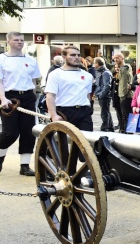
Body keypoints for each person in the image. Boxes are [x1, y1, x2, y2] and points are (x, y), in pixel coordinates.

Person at [0, 31, 42, 175]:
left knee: (28, 132)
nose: (20, 42)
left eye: (22, 40)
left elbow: (34, 80)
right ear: (8, 42)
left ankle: (24, 166)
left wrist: (35, 96)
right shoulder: (2, 59)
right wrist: (2, 98)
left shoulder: (31, 60)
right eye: (16, 40)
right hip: (9, 97)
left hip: (28, 97)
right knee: (10, 133)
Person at [45, 46, 95, 130]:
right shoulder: (55, 74)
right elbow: (50, 96)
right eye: (72, 55)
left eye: (78, 55)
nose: (76, 58)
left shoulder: (87, 75)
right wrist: (54, 115)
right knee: (62, 141)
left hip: (84, 111)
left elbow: (87, 95)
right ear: (64, 57)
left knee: (85, 140)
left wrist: (88, 109)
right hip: (64, 111)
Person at [93, 57, 114, 132]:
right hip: (101, 94)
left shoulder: (106, 72)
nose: (93, 65)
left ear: (97, 64)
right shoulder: (99, 72)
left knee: (104, 112)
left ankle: (105, 127)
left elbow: (107, 85)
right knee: (106, 111)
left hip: (104, 96)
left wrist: (101, 94)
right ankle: (110, 126)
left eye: (94, 63)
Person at [113, 52, 133, 133]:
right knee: (119, 112)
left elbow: (125, 81)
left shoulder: (126, 67)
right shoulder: (116, 69)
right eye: (114, 58)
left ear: (122, 58)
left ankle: (127, 130)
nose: (115, 59)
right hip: (116, 93)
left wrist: (124, 95)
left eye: (117, 57)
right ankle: (121, 128)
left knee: (125, 114)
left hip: (124, 94)